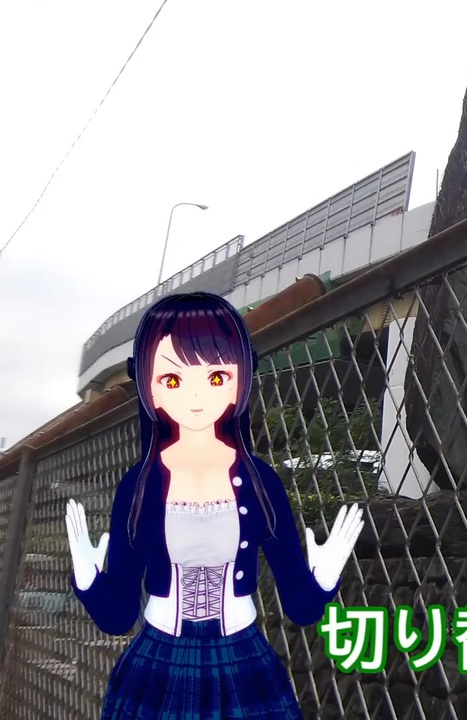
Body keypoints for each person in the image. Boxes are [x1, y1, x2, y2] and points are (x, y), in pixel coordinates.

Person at [65, 292, 364, 719]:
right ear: (148, 385)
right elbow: (118, 617)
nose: (196, 396)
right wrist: (89, 578)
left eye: (217, 376)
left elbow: (300, 607)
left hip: (241, 655)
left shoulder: (259, 481)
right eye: (173, 380)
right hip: (158, 657)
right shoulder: (140, 484)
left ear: (241, 377)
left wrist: (324, 577)